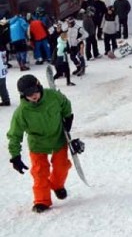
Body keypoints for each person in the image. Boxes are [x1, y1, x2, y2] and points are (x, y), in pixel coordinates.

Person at [7, 74, 77, 213]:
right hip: (37, 145)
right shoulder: (21, 113)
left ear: (39, 86)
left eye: (35, 91)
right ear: (22, 95)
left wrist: (68, 118)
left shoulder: (53, 96)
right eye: (28, 94)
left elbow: (65, 104)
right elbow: (15, 135)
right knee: (39, 173)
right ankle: (42, 200)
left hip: (58, 139)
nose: (33, 96)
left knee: (62, 166)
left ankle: (57, 185)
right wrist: (15, 156)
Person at [0, 20, 9, 105]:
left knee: (1, 83)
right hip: (2, 55)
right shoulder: (4, 31)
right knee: (2, 83)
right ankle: (6, 99)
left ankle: (6, 99)